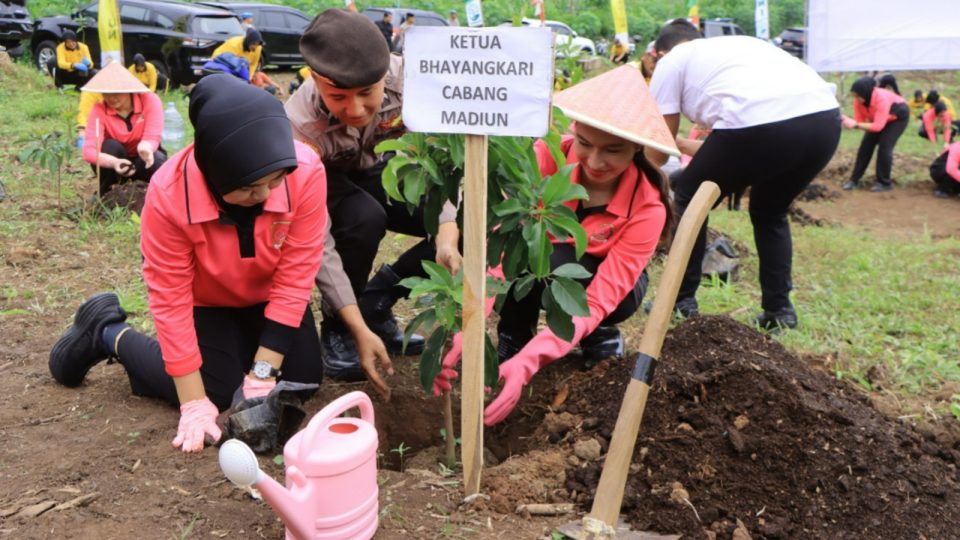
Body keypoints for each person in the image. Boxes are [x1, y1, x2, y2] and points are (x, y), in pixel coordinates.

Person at [49, 75, 336, 454]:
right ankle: (107, 332)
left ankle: (248, 359)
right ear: (215, 173)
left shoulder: (305, 172)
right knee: (215, 393)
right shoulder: (169, 194)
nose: (265, 195)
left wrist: (262, 372)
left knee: (300, 380)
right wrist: (192, 403)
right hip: (208, 302)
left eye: (275, 181)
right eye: (250, 188)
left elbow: (297, 275)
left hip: (267, 296)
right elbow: (171, 299)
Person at [432, 65, 672, 425]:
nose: (593, 161)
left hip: (605, 285)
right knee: (530, 254)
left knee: (582, 282)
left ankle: (598, 333)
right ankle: (515, 331)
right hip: (547, 261)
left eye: (613, 150)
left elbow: (598, 298)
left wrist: (530, 363)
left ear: (637, 147)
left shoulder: (648, 206)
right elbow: (500, 251)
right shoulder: (546, 156)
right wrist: (469, 321)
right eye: (585, 144)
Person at [285, 9, 461, 380]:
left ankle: (379, 300)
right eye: (338, 97)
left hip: (383, 169)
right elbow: (313, 235)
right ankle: (339, 325)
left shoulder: (412, 81)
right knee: (364, 218)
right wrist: (351, 321)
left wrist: (446, 225)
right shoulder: (299, 125)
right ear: (316, 80)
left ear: (385, 74)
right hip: (328, 181)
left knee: (470, 219)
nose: (356, 109)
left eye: (367, 93)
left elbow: (436, 162)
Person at [648, 20, 841, 330]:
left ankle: (680, 301)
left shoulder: (670, 61)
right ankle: (780, 312)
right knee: (770, 211)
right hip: (824, 120)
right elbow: (729, 150)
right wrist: (684, 145)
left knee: (687, 194)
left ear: (659, 53)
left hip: (759, 123)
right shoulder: (736, 49)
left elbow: (657, 146)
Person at [80, 62, 166, 197]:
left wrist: (146, 146)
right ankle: (107, 193)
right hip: (117, 164)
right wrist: (114, 162)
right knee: (109, 146)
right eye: (106, 93)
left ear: (129, 89)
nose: (111, 98)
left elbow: (152, 136)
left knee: (156, 159)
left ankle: (150, 194)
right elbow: (89, 151)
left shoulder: (150, 100)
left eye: (117, 92)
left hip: (142, 159)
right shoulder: (99, 109)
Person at [842, 76, 909, 192]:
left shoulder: (881, 99)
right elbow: (861, 122)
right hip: (881, 119)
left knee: (885, 146)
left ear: (866, 92)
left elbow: (877, 127)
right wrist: (853, 124)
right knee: (865, 146)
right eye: (854, 96)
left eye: (858, 96)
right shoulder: (858, 101)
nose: (856, 99)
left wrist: (855, 125)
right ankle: (854, 180)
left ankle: (884, 183)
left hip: (897, 117)